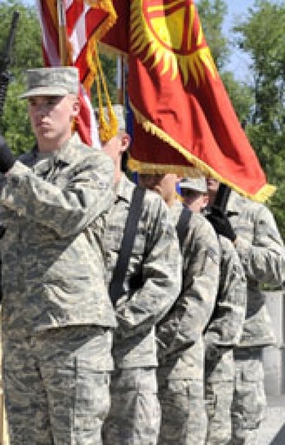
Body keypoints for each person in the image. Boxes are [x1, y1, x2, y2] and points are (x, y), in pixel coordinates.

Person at [0, 66, 116, 444]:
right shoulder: (16, 170)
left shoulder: (93, 165)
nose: (41, 112)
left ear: (75, 109)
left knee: (75, 439)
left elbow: (71, 213)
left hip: (73, 329)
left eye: (51, 102)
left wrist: (9, 168)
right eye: (34, 104)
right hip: (21, 333)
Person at [98, 105, 182, 445]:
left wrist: (113, 323)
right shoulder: (65, 204)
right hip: (70, 360)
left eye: (100, 138)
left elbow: (165, 280)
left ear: (122, 142)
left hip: (128, 359)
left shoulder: (145, 206)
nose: (92, 147)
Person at [136, 171, 220, 444]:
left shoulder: (196, 229)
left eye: (158, 174)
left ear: (178, 175)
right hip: (129, 369)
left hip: (174, 369)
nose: (149, 181)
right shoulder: (129, 220)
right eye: (143, 174)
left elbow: (197, 304)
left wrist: (151, 346)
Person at [203, 177, 285, 444]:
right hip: (197, 340)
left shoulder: (253, 213)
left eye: (213, 169)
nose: (207, 175)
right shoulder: (187, 210)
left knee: (241, 428)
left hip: (242, 342)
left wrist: (236, 242)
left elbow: (278, 269)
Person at [180, 176, 247, 444]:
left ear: (205, 200)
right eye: (181, 193)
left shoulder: (221, 246)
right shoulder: (162, 237)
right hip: (171, 367)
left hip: (209, 365)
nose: (185, 201)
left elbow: (232, 313)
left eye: (191, 195)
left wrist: (196, 349)